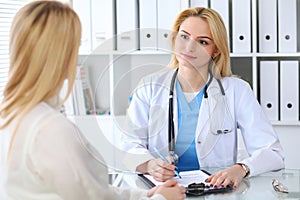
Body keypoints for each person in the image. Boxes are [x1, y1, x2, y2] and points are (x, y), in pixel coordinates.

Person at [0, 1, 186, 200]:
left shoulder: (11, 114)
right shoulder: (51, 129)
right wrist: (162, 199)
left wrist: (145, 195)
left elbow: (94, 193)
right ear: (61, 54)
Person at [121, 7, 285, 188]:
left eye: (203, 42)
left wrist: (242, 168)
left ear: (216, 51)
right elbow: (128, 147)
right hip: (163, 191)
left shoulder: (237, 91)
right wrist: (150, 164)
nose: (189, 47)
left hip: (214, 191)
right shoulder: (149, 88)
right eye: (184, 36)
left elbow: (272, 152)